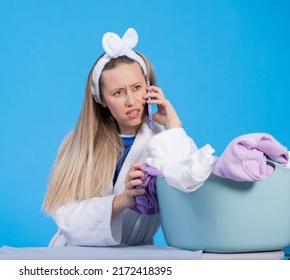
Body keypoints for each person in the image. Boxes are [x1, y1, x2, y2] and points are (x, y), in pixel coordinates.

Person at [42, 28, 213, 247]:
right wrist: (123, 200)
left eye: (137, 87)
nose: (131, 101)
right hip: (76, 256)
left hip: (137, 256)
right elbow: (66, 217)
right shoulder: (77, 146)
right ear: (101, 99)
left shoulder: (165, 142)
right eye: (118, 93)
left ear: (149, 88)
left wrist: (173, 125)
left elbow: (192, 184)